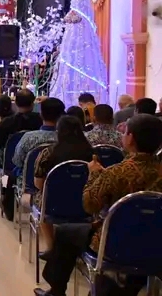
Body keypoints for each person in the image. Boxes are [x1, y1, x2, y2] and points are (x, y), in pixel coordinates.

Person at [36, 114, 162, 296]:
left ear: (131, 138)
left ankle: (56, 291)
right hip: (156, 243)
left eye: (125, 132)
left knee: (65, 232)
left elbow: (90, 205)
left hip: (116, 242)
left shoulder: (116, 173)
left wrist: (94, 174)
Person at [33, 116, 93, 250]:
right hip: (85, 204)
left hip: (53, 204)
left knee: (42, 199)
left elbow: (38, 184)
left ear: (58, 131)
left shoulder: (48, 153)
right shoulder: (92, 154)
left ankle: (51, 247)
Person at [0, 89, 41, 193]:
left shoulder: (7, 123)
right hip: (35, 159)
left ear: (16, 103)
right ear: (33, 103)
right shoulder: (40, 120)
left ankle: (2, 190)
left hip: (9, 161)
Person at [13, 97, 65, 169]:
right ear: (62, 116)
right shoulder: (66, 139)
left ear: (41, 114)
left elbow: (17, 161)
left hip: (30, 175)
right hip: (58, 175)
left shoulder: (28, 138)